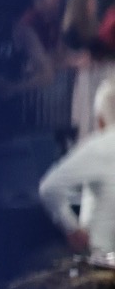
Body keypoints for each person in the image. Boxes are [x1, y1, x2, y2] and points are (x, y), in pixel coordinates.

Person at [40, 77, 115, 255]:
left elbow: (49, 188)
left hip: (101, 260)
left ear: (101, 120)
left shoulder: (101, 146)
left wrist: (72, 229)